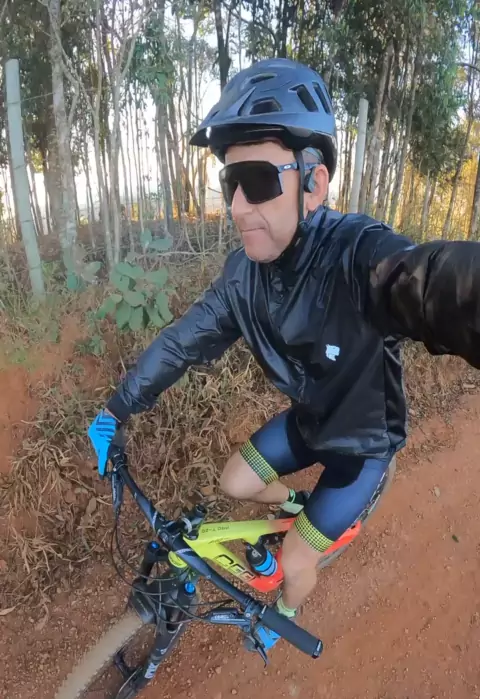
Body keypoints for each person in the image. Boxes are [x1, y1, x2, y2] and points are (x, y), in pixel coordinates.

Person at [88, 58, 480, 652]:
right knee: (235, 480)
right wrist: (117, 408)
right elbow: (182, 341)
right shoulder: (243, 277)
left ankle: (285, 613)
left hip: (362, 450)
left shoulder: (358, 257)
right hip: (310, 422)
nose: (238, 206)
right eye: (230, 183)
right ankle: (302, 507)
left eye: (259, 181)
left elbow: (435, 283)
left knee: (295, 560)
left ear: (313, 185)